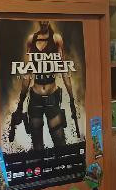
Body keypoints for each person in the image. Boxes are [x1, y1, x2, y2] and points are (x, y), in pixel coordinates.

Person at [9, 22, 78, 150]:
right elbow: (28, 73)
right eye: (41, 19)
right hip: (35, 97)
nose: (44, 21)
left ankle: (62, 162)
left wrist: (72, 98)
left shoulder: (56, 39)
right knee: (37, 143)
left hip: (52, 96)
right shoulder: (31, 39)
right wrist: (20, 103)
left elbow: (63, 69)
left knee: (59, 139)